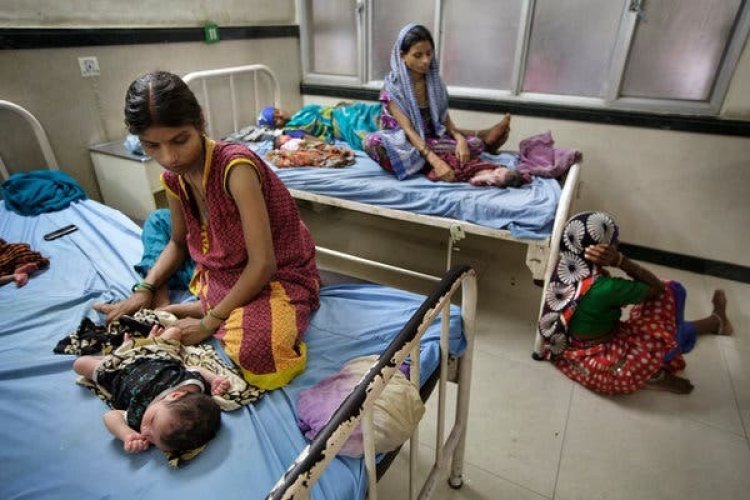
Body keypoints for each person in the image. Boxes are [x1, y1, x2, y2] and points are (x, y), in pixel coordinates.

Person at [94, 71, 320, 390]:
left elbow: (263, 264)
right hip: (221, 265)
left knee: (259, 352)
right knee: (158, 224)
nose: (169, 157)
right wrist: (144, 288)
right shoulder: (174, 178)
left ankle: (204, 307)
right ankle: (181, 302)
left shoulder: (235, 169)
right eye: (152, 146)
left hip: (275, 272)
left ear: (200, 122)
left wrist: (209, 322)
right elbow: (178, 242)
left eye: (180, 140)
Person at [536, 211, 733, 395]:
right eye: (613, 242)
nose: (617, 243)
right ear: (601, 251)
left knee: (657, 325)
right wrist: (621, 261)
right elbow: (658, 288)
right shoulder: (606, 288)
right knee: (671, 292)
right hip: (608, 368)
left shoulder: (565, 267)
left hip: (569, 351)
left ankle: (716, 322)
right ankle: (654, 373)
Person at [362, 23, 513, 183]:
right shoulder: (393, 88)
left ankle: (425, 163)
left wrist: (461, 140)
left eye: (429, 53)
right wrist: (436, 162)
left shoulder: (435, 83)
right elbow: (408, 131)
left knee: (474, 145)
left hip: (430, 140)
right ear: (402, 56)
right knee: (372, 143)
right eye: (418, 55)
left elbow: (446, 123)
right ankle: (439, 159)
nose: (426, 60)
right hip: (405, 143)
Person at [73, 325, 227, 456]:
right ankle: (139, 344)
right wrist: (214, 379)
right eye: (152, 420)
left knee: (80, 364)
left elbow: (110, 416)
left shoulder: (138, 418)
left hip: (118, 372)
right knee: (174, 331)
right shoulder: (190, 386)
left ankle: (120, 352)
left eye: (153, 440)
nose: (145, 431)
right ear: (175, 395)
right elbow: (195, 369)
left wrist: (127, 434)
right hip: (155, 354)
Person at [257, 101, 381, 151]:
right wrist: (329, 147)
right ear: (275, 127)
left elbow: (324, 110)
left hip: (341, 112)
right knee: (365, 129)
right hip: (340, 124)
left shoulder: (299, 113)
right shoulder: (290, 130)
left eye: (277, 112)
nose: (280, 116)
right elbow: (308, 139)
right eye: (275, 120)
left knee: (370, 111)